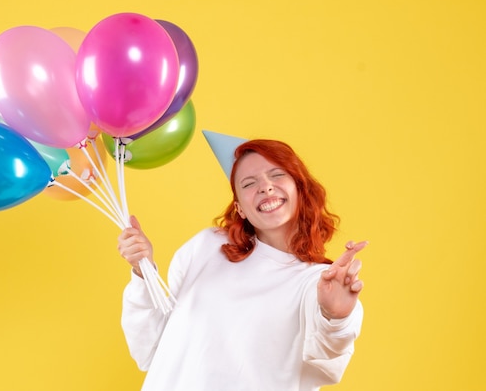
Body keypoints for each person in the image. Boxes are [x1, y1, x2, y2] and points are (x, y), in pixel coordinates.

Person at [117, 133, 367, 391]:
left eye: (277, 174)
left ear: (300, 190)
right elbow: (149, 350)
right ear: (240, 208)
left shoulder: (319, 283)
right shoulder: (207, 247)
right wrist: (142, 270)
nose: (265, 187)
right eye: (249, 183)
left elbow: (327, 361)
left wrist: (335, 317)